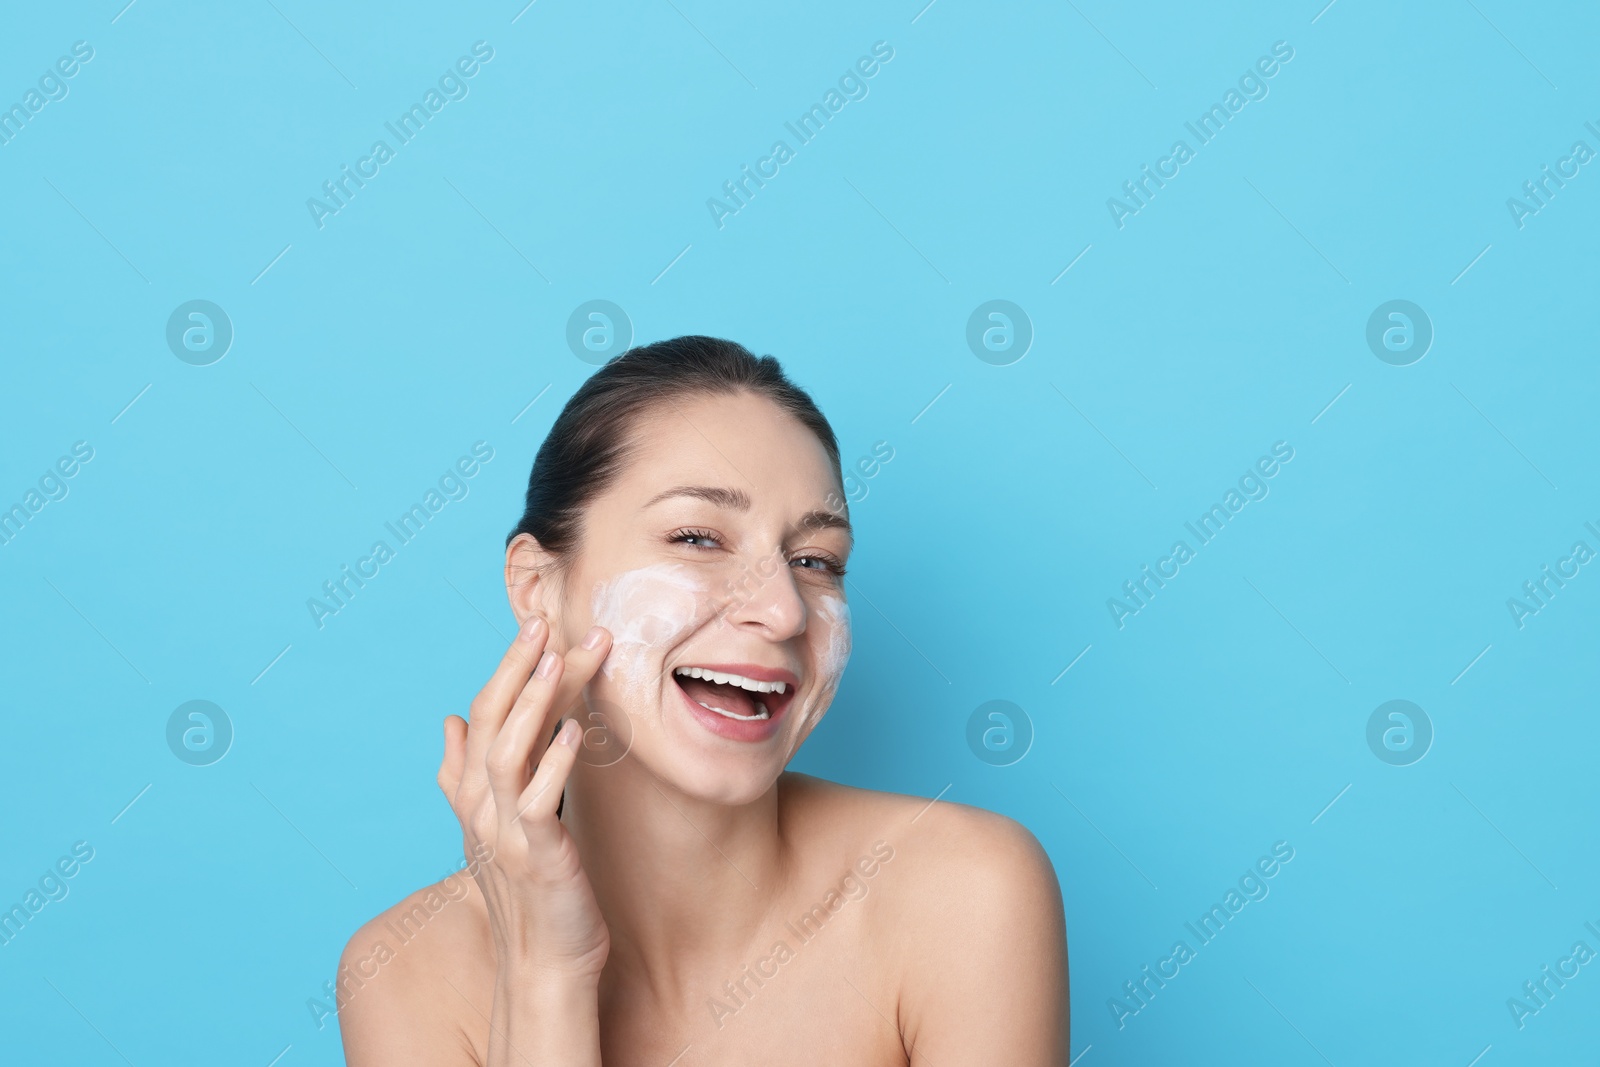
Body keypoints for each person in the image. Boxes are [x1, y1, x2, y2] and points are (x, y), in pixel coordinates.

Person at [338, 336, 1068, 1065]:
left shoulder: (965, 894)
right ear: (539, 588)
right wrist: (545, 974)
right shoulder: (405, 973)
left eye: (817, 561)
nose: (784, 610)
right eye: (698, 537)